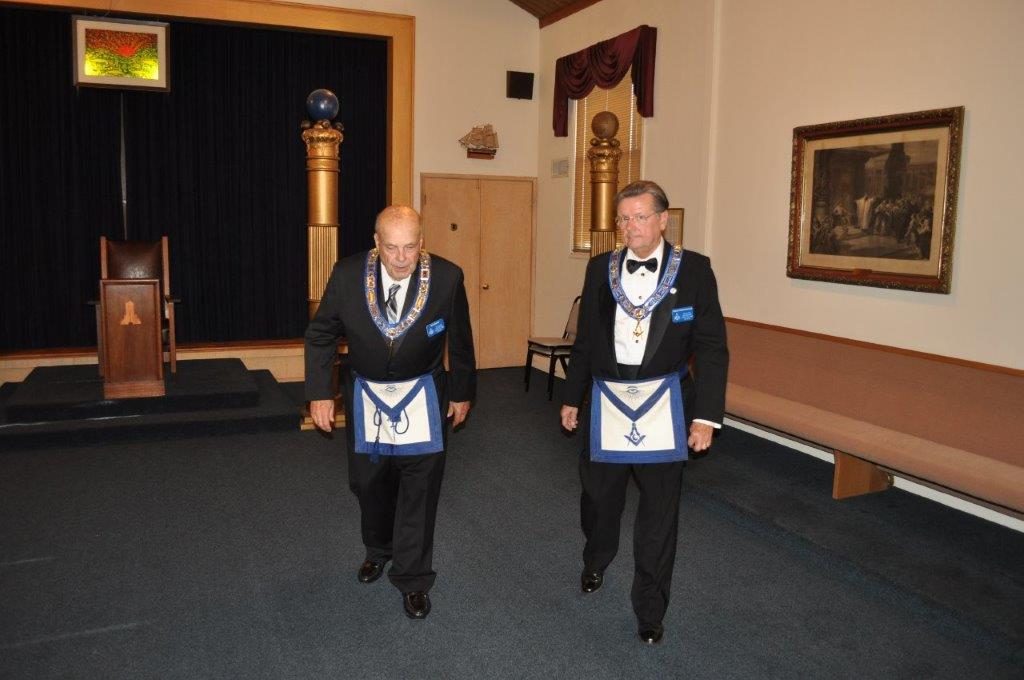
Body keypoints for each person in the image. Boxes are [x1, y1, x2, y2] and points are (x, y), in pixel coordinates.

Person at [559, 180, 729, 645]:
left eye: (639, 216)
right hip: (607, 402)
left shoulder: (695, 270)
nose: (629, 226)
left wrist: (706, 417)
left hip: (664, 407)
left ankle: (651, 608)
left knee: (659, 514)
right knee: (598, 500)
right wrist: (572, 397)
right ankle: (597, 557)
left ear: (663, 220)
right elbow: (586, 340)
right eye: (623, 218)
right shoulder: (600, 268)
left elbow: (712, 348)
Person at [305, 205, 476, 620]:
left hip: (423, 395)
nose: (401, 258)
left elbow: (461, 339)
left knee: (421, 487)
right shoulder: (347, 274)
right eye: (392, 248)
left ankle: (413, 577)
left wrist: (462, 392)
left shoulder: (448, 277)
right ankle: (379, 549)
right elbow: (321, 333)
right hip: (367, 397)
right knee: (369, 483)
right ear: (376, 242)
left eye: (411, 247)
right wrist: (320, 393)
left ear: (422, 242)